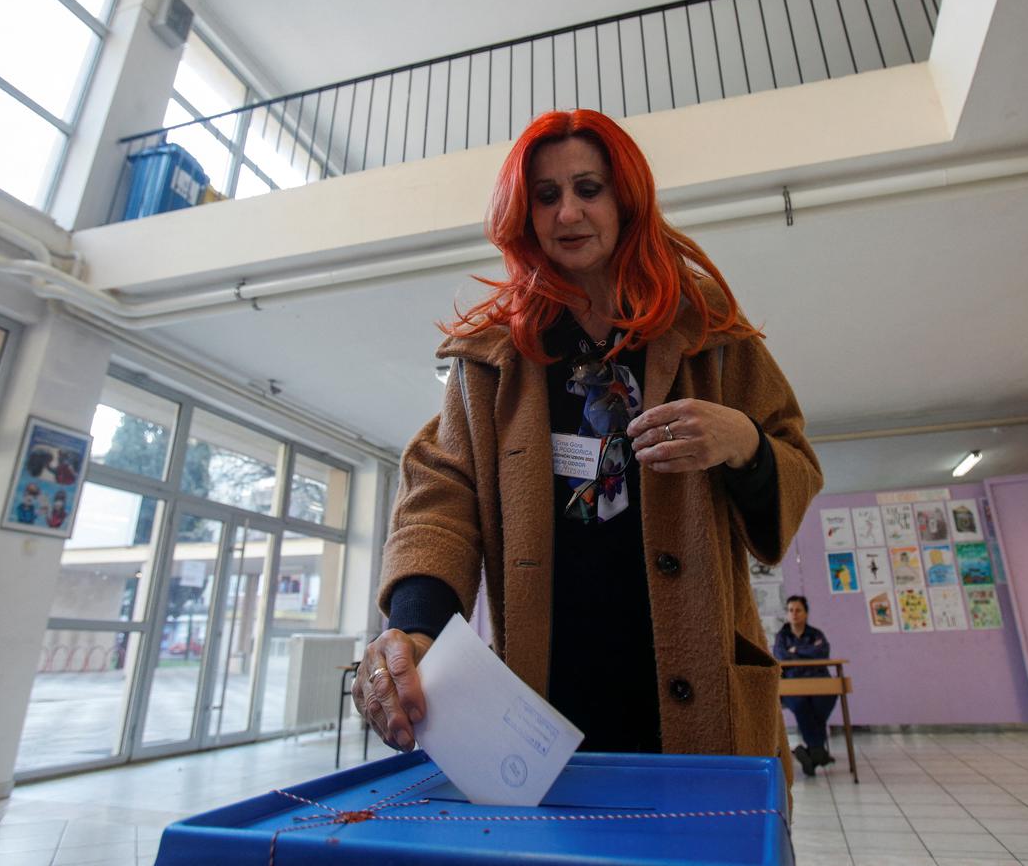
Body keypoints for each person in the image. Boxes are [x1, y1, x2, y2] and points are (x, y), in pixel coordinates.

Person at [352, 109, 823, 779]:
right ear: (524, 213)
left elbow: (795, 460)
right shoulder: (492, 358)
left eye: (588, 188)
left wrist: (743, 439)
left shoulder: (707, 332)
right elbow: (441, 492)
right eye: (545, 195)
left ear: (624, 198)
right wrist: (417, 623)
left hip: (695, 697)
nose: (567, 211)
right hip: (545, 701)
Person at [773, 594, 835, 775]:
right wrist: (806, 653)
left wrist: (797, 650)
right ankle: (818, 752)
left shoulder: (816, 634)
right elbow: (781, 656)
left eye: (798, 610)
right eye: (791, 610)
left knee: (821, 704)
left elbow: (822, 652)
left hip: (819, 683)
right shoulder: (782, 636)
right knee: (801, 704)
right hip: (792, 684)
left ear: (806, 613)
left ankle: (812, 752)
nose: (794, 614)